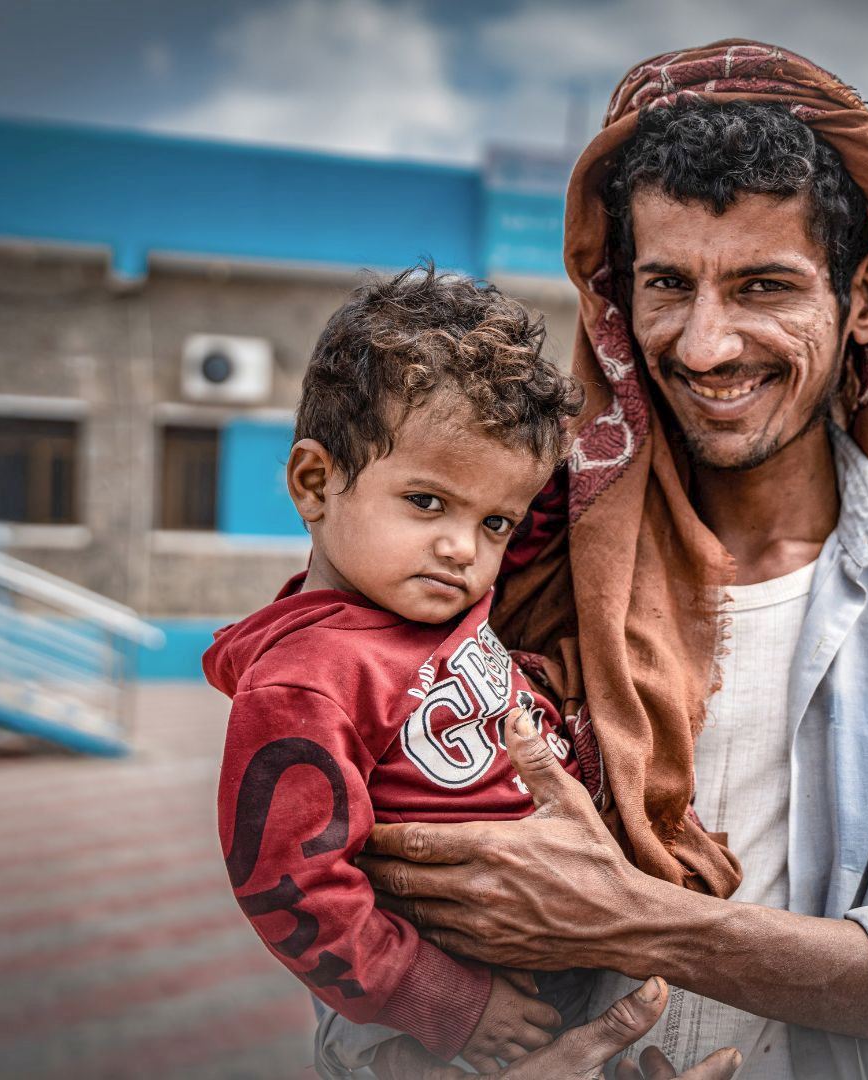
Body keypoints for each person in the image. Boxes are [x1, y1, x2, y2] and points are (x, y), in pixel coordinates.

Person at [332, 40, 868, 1080]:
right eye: (668, 285)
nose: (705, 345)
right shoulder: (507, 557)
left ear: (862, 300)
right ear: (616, 300)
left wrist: (643, 924)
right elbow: (364, 914)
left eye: (765, 285)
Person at [207, 267, 738, 1078]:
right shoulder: (305, 680)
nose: (464, 547)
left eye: (493, 521)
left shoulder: (444, 598)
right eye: (426, 502)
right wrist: (447, 1003)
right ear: (316, 483)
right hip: (434, 1019)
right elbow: (291, 888)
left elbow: (585, 492)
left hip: (550, 954)